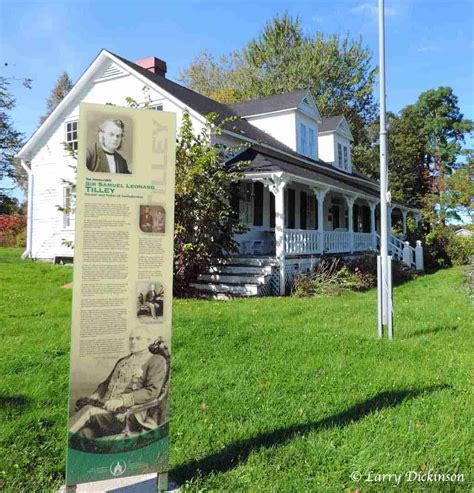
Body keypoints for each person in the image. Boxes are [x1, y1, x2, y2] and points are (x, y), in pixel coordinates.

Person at [69, 328, 168, 438]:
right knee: (84, 433)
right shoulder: (123, 361)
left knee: (88, 412)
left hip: (128, 414)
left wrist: (121, 401)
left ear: (148, 341)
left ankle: (62, 438)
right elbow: (106, 384)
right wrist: (95, 396)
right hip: (105, 409)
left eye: (138, 338)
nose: (133, 342)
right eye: (131, 339)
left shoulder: (156, 360)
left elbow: (152, 391)